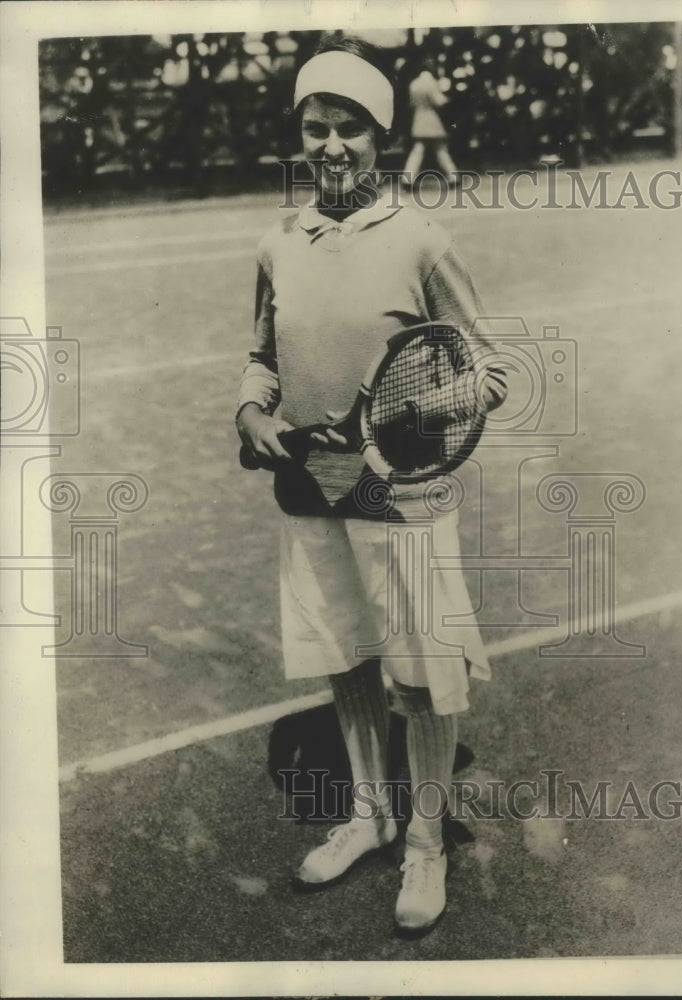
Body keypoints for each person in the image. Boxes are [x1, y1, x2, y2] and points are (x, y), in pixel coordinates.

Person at [235, 33, 507, 937]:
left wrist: (402, 419)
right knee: (347, 656)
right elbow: (261, 359)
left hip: (406, 498)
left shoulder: (423, 239)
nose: (331, 147)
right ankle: (370, 814)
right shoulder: (277, 241)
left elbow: (489, 373)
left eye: (348, 129)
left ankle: (426, 843)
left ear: (380, 138)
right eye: (315, 129)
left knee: (424, 679)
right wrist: (251, 413)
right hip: (312, 491)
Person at [403, 57, 460, 186]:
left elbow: (411, 104)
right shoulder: (431, 82)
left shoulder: (414, 83)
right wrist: (448, 96)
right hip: (432, 118)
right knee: (441, 149)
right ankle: (453, 177)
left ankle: (407, 179)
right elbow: (439, 101)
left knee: (417, 150)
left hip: (418, 118)